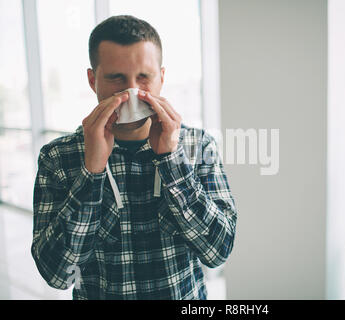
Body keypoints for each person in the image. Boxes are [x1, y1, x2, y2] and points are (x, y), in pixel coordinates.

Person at [31, 15, 237, 300]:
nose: (132, 93)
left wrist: (172, 162)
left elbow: (218, 252)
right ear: (93, 80)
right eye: (116, 78)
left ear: (162, 78)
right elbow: (56, 274)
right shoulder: (58, 157)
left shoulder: (198, 146)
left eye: (144, 77)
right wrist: (92, 171)